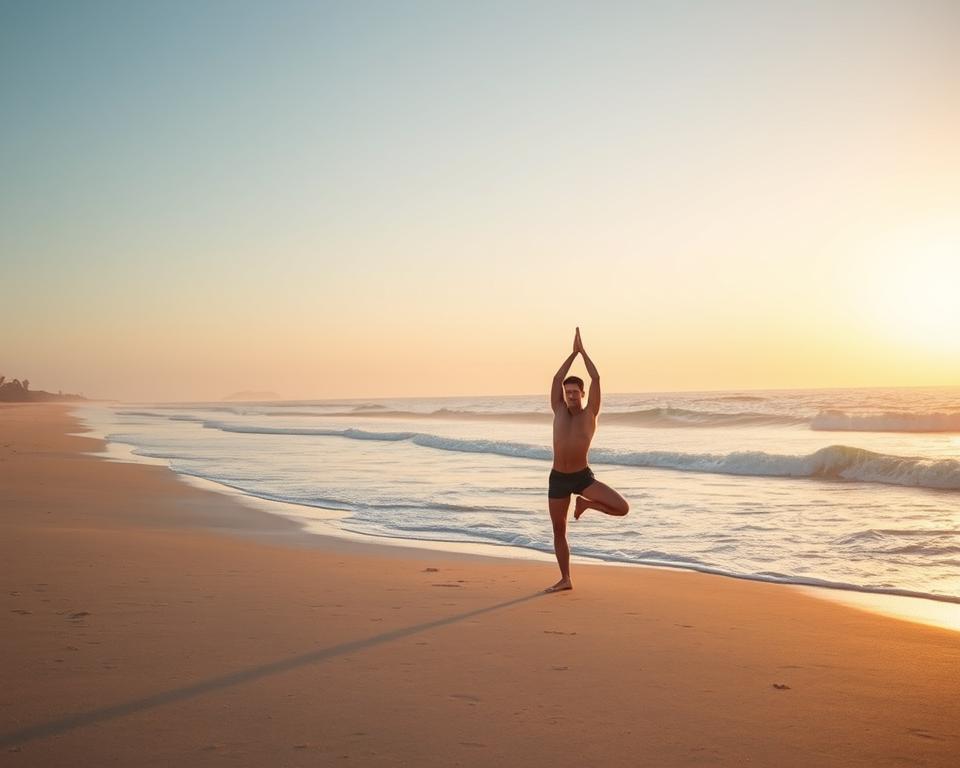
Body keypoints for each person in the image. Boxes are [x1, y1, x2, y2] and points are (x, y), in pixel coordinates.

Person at [546, 327, 629, 592]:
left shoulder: (591, 412)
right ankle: (565, 579)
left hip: (582, 478)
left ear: (582, 394)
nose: (570, 396)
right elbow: (557, 377)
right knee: (559, 530)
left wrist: (583, 352)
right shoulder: (558, 409)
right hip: (558, 478)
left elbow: (596, 377)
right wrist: (571, 355)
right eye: (567, 392)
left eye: (574, 392)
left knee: (622, 507)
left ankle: (585, 505)